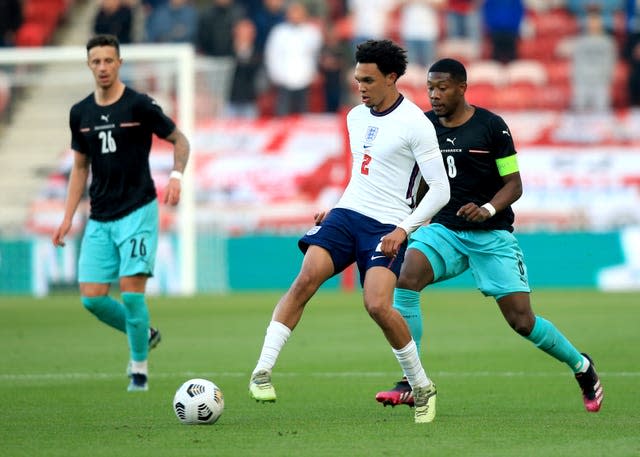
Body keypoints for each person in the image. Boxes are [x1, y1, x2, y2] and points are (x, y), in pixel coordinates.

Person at [374, 58, 604, 415]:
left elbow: (514, 184)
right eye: (430, 88)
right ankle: (411, 380)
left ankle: (581, 366)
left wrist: (487, 209)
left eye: (442, 87)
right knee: (406, 277)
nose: (434, 95)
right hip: (445, 230)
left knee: (522, 321)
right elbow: (416, 182)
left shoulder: (493, 128)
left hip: (491, 235)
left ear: (462, 88)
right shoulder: (423, 126)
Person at [248, 39, 450, 424]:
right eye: (357, 79)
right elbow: (365, 175)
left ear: (392, 78)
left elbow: (441, 190)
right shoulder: (355, 117)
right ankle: (262, 370)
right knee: (306, 278)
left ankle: (421, 386)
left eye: (369, 80)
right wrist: (337, 207)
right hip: (347, 214)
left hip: (387, 225)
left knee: (376, 304)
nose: (361, 87)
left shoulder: (416, 125)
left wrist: (404, 229)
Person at [51, 34, 190, 392]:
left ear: (119, 63)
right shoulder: (79, 114)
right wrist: (67, 217)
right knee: (92, 298)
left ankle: (139, 371)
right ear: (89, 65)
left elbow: (180, 140)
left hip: (138, 210)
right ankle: (144, 333)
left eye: (108, 61)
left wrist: (175, 177)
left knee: (130, 293)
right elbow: (80, 168)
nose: (102, 67)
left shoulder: (139, 106)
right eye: (96, 61)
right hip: (100, 216)